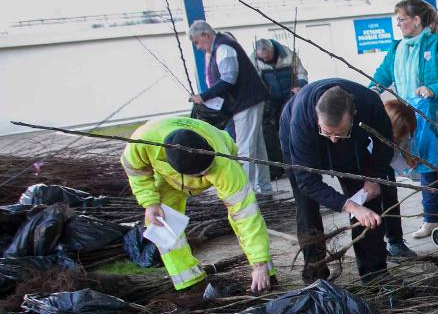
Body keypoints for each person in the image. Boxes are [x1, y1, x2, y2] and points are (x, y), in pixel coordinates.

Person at [121, 116, 273, 294]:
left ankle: (266, 273)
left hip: (219, 158)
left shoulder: (224, 166)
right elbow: (135, 170)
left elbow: (247, 215)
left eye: (207, 171)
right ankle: (189, 283)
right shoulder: (141, 141)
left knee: (241, 216)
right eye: (200, 175)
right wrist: (150, 203)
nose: (204, 176)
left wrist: (260, 263)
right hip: (169, 179)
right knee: (160, 223)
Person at [279, 78, 394, 283]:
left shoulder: (370, 105)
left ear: (353, 115)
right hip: (302, 142)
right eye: (327, 132)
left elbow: (385, 144)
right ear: (317, 117)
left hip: (352, 148)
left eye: (339, 133)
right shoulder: (302, 120)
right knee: (306, 206)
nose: (333, 139)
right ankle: (316, 276)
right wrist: (349, 206)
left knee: (368, 200)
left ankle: (374, 273)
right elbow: (307, 181)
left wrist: (374, 178)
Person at [371, 0, 438, 241]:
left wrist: (432, 89)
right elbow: (382, 74)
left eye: (401, 19)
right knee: (424, 169)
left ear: (416, 20)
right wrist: (372, 90)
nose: (398, 24)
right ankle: (431, 219)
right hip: (412, 121)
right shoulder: (396, 49)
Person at [187, 20, 272, 198]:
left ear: (205, 35)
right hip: (247, 101)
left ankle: (245, 194)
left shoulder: (223, 48)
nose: (199, 47)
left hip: (246, 101)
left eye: (197, 42)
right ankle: (263, 189)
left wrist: (204, 96)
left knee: (246, 148)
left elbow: (228, 79)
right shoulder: (220, 47)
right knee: (256, 145)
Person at [251, 38, 309, 182]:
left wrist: (300, 86)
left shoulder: (289, 55)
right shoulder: (253, 59)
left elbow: (301, 73)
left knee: (290, 128)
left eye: (267, 57)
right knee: (269, 133)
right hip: (269, 100)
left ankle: (299, 163)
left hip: (289, 96)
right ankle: (277, 167)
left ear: (272, 50)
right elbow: (254, 80)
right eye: (262, 58)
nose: (265, 60)